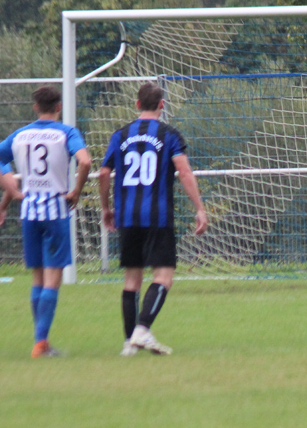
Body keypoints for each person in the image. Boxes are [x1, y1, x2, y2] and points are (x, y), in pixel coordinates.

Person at [99, 82, 208, 356]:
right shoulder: (169, 134)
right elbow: (183, 171)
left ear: (137, 105)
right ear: (162, 105)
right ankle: (142, 329)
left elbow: (103, 174)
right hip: (157, 216)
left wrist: (106, 208)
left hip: (127, 215)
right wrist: (200, 208)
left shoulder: (120, 135)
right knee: (164, 275)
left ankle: (129, 344)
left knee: (131, 279)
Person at [0, 86, 91, 357]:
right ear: (59, 107)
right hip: (56, 210)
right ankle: (41, 343)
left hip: (29, 211)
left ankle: (42, 341)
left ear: (35, 107)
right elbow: (85, 161)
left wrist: (12, 192)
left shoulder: (20, 135)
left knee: (38, 279)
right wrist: (76, 190)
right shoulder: (66, 133)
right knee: (53, 279)